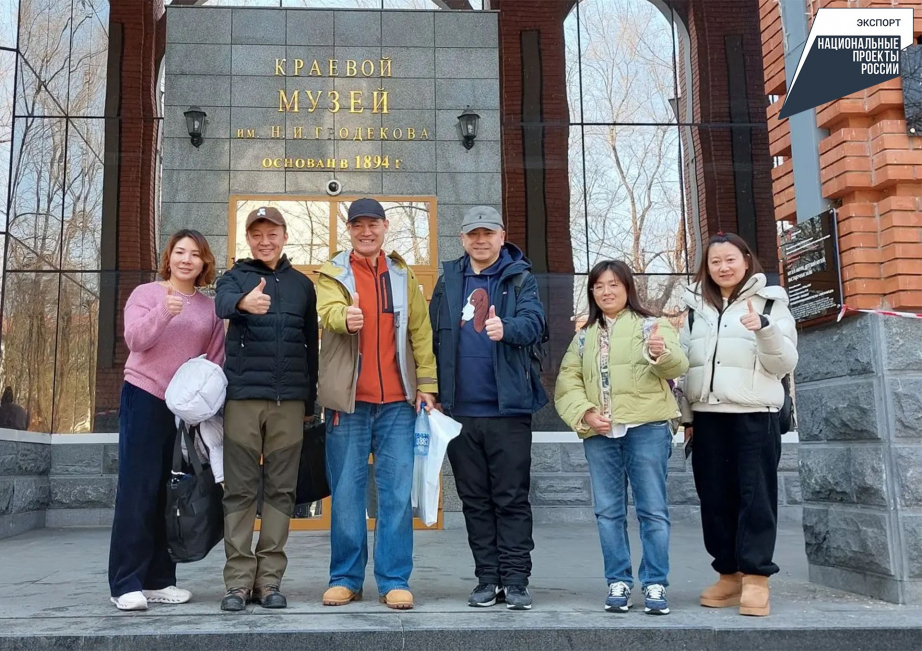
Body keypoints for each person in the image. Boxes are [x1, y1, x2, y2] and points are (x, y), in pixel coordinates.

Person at [316, 197, 437, 611]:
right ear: (349, 230)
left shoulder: (403, 274)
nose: (365, 232)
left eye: (373, 224)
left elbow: (421, 333)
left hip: (398, 405)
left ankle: (394, 579)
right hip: (347, 404)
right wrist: (343, 318)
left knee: (396, 495)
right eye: (358, 225)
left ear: (385, 227)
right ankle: (345, 578)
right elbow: (327, 311)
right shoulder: (332, 273)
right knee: (346, 495)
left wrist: (427, 385)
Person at [429, 206, 548, 610]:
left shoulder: (520, 278)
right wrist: (432, 390)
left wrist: (507, 328)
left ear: (502, 236)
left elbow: (536, 324)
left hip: (507, 411)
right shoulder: (448, 281)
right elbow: (432, 339)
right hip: (459, 414)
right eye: (473, 234)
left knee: (511, 499)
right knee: (475, 500)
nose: (481, 240)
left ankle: (515, 580)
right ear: (462, 239)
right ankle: (487, 579)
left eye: (488, 233)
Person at [555, 260, 688, 616]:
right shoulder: (583, 337)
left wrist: (660, 352)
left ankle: (655, 582)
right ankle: (618, 582)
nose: (606, 291)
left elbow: (678, 365)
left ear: (628, 287)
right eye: (599, 286)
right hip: (600, 434)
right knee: (608, 512)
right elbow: (567, 382)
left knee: (652, 510)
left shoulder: (651, 325)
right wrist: (586, 412)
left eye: (614, 284)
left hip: (648, 429)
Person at [679, 232, 798, 617]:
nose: (723, 267)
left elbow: (784, 364)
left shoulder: (771, 302)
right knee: (714, 498)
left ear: (746, 260)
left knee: (755, 497)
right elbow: (685, 366)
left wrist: (764, 328)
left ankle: (756, 576)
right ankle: (728, 575)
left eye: (730, 259)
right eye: (715, 262)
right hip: (707, 418)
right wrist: (687, 417)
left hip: (754, 415)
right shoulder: (695, 307)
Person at [108, 229, 225, 611]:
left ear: (204, 262)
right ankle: (125, 583)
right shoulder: (147, 294)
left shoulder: (209, 309)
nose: (186, 260)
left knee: (169, 492)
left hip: (183, 408)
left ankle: (159, 581)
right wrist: (164, 312)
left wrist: (204, 405)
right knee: (137, 490)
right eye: (180, 252)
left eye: (195, 254)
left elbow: (214, 361)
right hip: (144, 396)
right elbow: (135, 340)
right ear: (169, 257)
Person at [214, 206, 319, 612]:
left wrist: (309, 401)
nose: (264, 241)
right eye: (256, 234)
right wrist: (244, 302)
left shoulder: (302, 285)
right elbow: (222, 304)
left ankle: (269, 580)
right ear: (248, 238)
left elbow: (311, 345)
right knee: (240, 490)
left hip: (289, 402)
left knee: (281, 491)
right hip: (243, 399)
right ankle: (238, 583)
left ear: (284, 236)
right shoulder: (235, 277)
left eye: (271, 233)